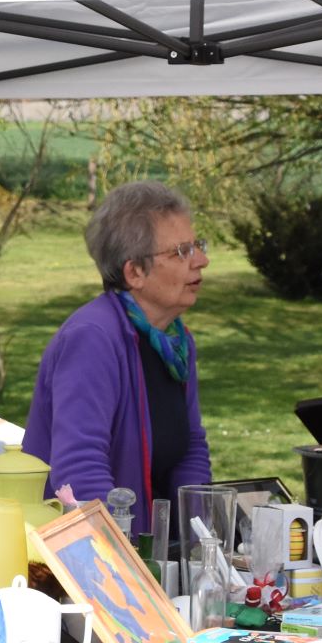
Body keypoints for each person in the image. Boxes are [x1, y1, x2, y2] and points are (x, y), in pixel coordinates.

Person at [26, 181, 212, 524]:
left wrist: (200, 543)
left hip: (156, 553)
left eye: (197, 245)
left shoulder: (175, 340)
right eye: (182, 251)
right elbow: (79, 472)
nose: (202, 260)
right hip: (93, 555)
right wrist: (129, 561)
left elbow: (191, 451)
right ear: (135, 272)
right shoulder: (92, 339)